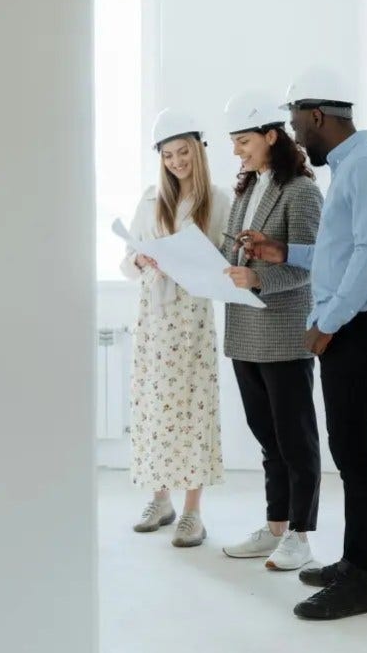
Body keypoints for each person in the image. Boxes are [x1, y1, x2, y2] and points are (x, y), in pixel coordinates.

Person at [237, 66, 367, 619]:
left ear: (316, 117)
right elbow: (342, 253)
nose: (293, 136)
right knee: (353, 447)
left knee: (354, 452)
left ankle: (358, 578)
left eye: (294, 123)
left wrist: (329, 320)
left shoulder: (366, 166)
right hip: (356, 317)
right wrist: (282, 252)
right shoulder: (352, 166)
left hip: (365, 319)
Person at [216, 91, 323, 572]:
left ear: (271, 136)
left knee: (295, 439)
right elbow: (239, 256)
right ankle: (276, 524)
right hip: (245, 330)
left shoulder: (300, 191)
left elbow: (309, 263)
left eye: (243, 141)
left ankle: (301, 535)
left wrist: (258, 276)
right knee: (267, 437)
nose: (237, 151)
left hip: (283, 332)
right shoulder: (246, 187)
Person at [121, 108, 229, 548]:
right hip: (154, 319)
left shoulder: (218, 201)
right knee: (154, 408)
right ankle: (159, 499)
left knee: (192, 409)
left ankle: (192, 512)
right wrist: (140, 259)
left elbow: (226, 261)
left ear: (199, 151)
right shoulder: (150, 200)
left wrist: (197, 260)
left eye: (183, 152)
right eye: (168, 155)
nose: (177, 162)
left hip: (192, 319)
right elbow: (125, 262)